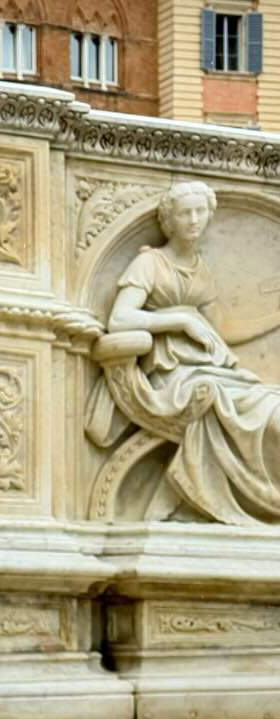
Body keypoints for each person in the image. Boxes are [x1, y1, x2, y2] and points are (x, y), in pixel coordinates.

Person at [88, 180, 280, 524]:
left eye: (200, 212)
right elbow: (119, 318)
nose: (193, 219)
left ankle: (260, 500)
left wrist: (240, 358)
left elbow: (218, 335)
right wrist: (177, 319)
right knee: (223, 400)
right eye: (185, 213)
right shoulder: (151, 263)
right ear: (169, 220)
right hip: (169, 375)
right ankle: (207, 498)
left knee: (271, 404)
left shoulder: (201, 271)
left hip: (207, 369)